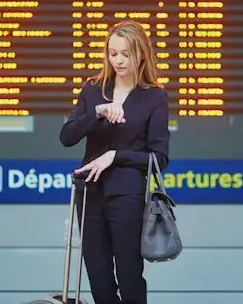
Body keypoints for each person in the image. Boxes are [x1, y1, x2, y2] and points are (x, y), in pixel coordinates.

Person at [59, 20, 171, 304]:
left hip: (128, 197)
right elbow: (67, 136)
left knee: (129, 275)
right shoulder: (93, 90)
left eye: (125, 54)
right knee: (98, 278)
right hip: (90, 196)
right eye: (112, 53)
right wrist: (95, 113)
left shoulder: (154, 97)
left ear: (141, 54)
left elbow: (159, 157)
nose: (118, 60)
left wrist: (115, 156)